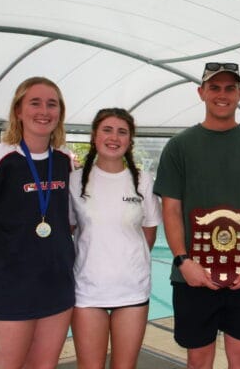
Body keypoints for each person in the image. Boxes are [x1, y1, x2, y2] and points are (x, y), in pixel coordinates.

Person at [154, 62, 240, 369]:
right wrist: (183, 261)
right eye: (214, 88)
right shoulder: (179, 147)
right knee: (198, 360)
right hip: (193, 275)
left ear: (239, 94)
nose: (222, 95)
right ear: (201, 92)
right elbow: (171, 209)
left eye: (229, 88)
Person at [0, 76, 75, 368]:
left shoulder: (64, 161)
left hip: (56, 287)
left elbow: (69, 222)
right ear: (18, 111)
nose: (44, 111)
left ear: (60, 112)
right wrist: (5, 261)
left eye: (52, 104)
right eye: (35, 103)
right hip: (7, 290)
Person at [69, 108, 161, 369]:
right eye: (107, 130)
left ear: (130, 140)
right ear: (94, 136)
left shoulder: (142, 181)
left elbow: (149, 232)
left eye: (122, 132)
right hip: (87, 290)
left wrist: (128, 262)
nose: (114, 137)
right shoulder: (75, 180)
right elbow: (69, 229)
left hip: (131, 289)